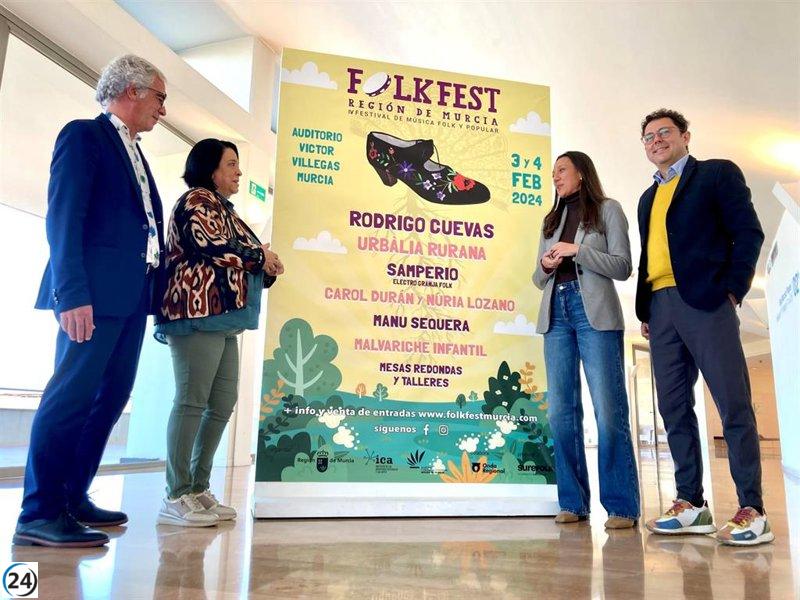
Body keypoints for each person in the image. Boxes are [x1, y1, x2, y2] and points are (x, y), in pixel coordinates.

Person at [15, 55, 168, 547]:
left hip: (131, 298)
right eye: (159, 97)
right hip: (92, 297)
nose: (162, 110)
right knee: (70, 398)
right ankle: (38, 512)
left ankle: (71, 496)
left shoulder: (136, 152)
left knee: (111, 399)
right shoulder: (84, 136)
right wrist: (72, 293)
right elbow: (62, 218)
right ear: (132, 92)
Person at [635, 108, 771, 546]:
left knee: (732, 404)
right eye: (648, 137)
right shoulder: (646, 197)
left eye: (664, 133)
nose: (656, 140)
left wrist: (732, 289)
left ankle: (752, 509)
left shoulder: (715, 175)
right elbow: (648, 256)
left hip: (706, 301)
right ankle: (690, 504)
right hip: (660, 309)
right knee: (673, 409)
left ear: (685, 136)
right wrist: (646, 311)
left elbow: (748, 232)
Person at [155, 139, 284, 526]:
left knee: (222, 403)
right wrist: (262, 256)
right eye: (231, 164)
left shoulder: (226, 210)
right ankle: (175, 494)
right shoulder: (196, 200)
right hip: (196, 312)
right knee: (192, 401)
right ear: (210, 169)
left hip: (224, 318)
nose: (238, 172)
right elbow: (213, 246)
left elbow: (241, 253)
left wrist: (266, 262)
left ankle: (197, 487)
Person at [533, 151, 640, 529]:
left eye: (561, 170)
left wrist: (579, 250)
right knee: (561, 413)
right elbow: (536, 277)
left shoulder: (608, 210)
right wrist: (547, 265)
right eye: (552, 173)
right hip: (556, 314)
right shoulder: (550, 220)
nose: (555, 177)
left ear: (581, 173)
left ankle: (622, 507)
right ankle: (573, 503)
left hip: (593, 310)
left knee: (609, 411)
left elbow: (623, 266)